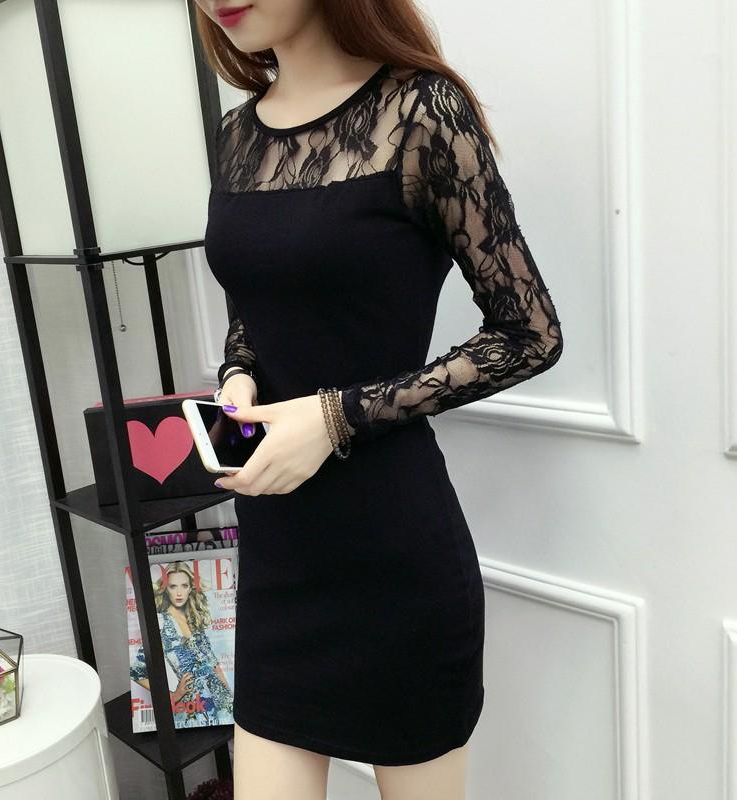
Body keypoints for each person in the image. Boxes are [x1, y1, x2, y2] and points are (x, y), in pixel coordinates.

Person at [195, 1, 564, 797]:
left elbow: (529, 334)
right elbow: (255, 307)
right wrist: (238, 374)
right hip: (278, 562)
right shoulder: (235, 135)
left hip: (396, 563)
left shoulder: (422, 111)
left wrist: (336, 417)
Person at [130, 561, 234, 727]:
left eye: (184, 586)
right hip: (194, 706)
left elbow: (214, 665)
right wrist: (174, 695)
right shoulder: (160, 622)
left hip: (222, 700)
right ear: (166, 589)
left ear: (190, 588)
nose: (179, 593)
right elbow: (137, 672)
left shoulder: (194, 618)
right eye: (173, 586)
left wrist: (231, 697)